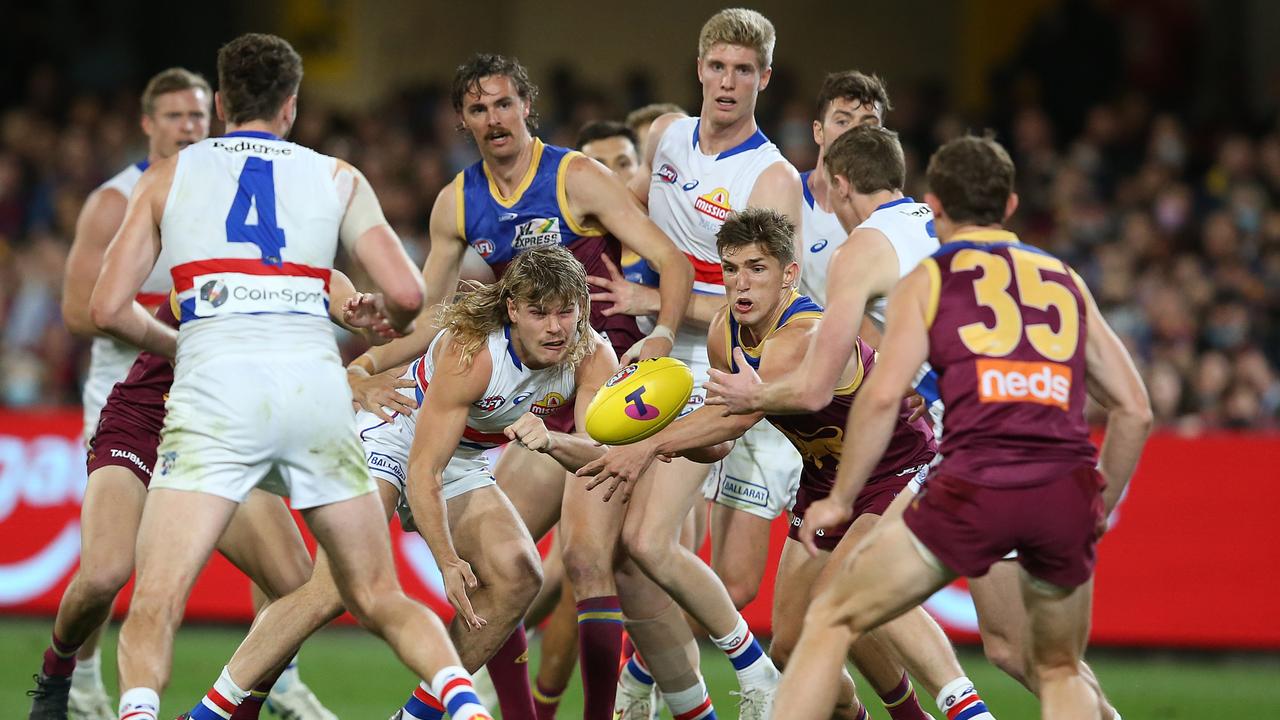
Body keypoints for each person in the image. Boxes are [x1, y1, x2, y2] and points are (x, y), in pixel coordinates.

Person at [88, 33, 491, 720]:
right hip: (313, 396)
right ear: (292, 106)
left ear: (219, 103)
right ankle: (464, 705)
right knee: (377, 594)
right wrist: (373, 311)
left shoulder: (168, 176)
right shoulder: (336, 175)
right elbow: (405, 293)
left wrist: (177, 344)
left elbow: (103, 307)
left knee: (156, 601)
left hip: (215, 395)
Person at [710, 124, 1123, 718]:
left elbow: (853, 390)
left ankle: (958, 712)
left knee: (839, 602)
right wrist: (1101, 498)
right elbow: (1132, 407)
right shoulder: (1053, 273)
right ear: (1008, 205)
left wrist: (838, 490)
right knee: (1019, 652)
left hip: (943, 448)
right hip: (1049, 467)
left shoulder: (876, 253)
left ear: (840, 185)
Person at [345, 53, 693, 720]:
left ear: (527, 106)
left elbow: (671, 259)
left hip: (599, 377)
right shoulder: (459, 200)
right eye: (478, 109)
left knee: (590, 562)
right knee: (515, 577)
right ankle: (500, 711)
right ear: (462, 121)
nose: (493, 118)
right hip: (523, 390)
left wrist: (657, 332)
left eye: (504, 104)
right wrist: (367, 360)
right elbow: (432, 315)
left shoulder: (576, 176)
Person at [581, 206, 942, 720]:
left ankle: (931, 712)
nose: (741, 283)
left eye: (757, 268)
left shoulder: (799, 336)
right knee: (791, 650)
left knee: (840, 599)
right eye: (731, 269)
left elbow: (733, 422)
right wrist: (660, 426)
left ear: (789, 275)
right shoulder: (724, 334)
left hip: (897, 465)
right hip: (825, 478)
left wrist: (645, 448)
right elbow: (718, 442)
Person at [27, 276, 382, 720]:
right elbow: (106, 313)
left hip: (216, 440)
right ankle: (57, 667)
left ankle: (234, 709)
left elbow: (362, 316)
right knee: (104, 576)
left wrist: (371, 334)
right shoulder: (211, 263)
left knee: (296, 589)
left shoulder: (315, 273)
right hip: (145, 423)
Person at [52, 66, 211, 720]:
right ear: (148, 124)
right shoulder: (115, 202)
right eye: (174, 116)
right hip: (123, 394)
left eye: (199, 116)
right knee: (108, 566)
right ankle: (81, 671)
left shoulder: (221, 199)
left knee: (272, 543)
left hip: (205, 395)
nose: (188, 127)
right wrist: (159, 314)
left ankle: (273, 681)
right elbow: (79, 311)